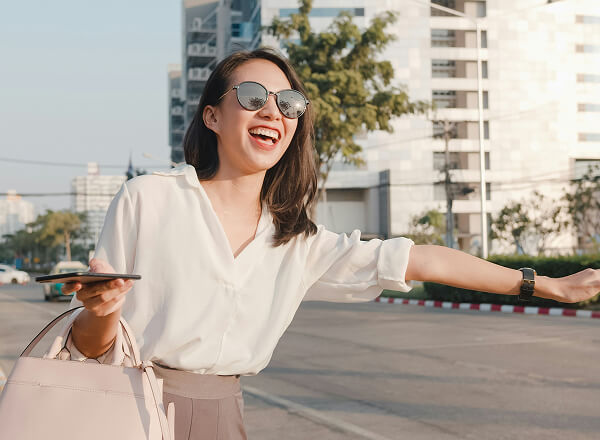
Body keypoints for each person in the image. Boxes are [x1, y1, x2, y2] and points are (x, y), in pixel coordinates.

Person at [62, 48, 600, 440]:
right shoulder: (149, 200)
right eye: (252, 97)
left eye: (289, 102)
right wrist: (103, 313)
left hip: (223, 416)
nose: (273, 110)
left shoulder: (296, 240)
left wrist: (543, 284)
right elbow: (85, 345)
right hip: (127, 411)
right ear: (212, 117)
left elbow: (420, 259)